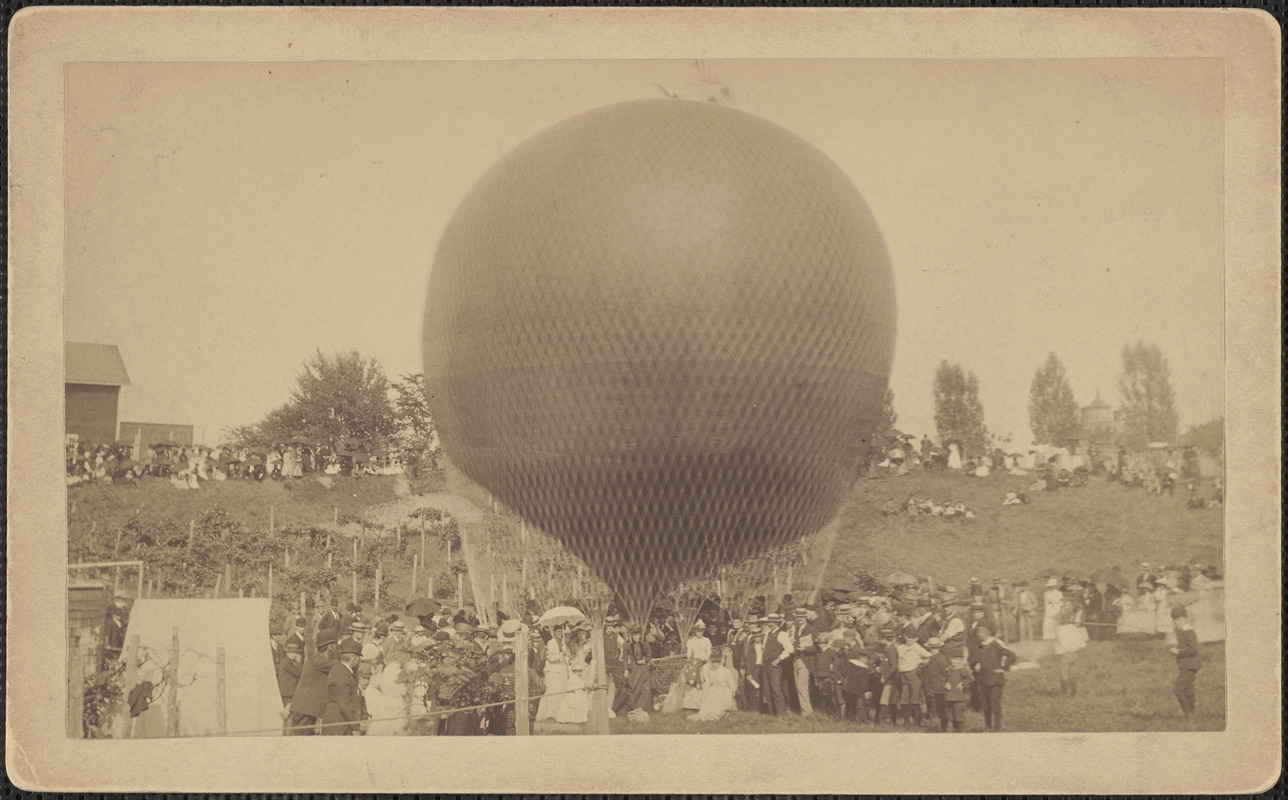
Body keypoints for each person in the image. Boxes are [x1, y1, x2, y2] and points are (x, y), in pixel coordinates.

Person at [288, 629, 339, 735]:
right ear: (330, 647)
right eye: (335, 646)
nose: (337, 649)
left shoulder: (318, 660)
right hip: (304, 711)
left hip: (307, 711)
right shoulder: (318, 661)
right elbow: (339, 666)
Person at [971, 625, 1016, 732]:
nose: (978, 636)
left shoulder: (995, 644)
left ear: (985, 634)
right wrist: (977, 664)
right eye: (977, 634)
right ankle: (987, 726)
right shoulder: (981, 645)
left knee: (995, 703)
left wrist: (1003, 668)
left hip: (994, 679)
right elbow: (979, 658)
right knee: (985, 704)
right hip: (982, 679)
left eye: (979, 634)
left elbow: (1012, 655)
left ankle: (997, 727)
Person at [320, 638, 363, 735]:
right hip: (339, 725)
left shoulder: (338, 668)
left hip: (335, 722)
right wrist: (355, 727)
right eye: (359, 659)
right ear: (354, 659)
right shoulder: (343, 674)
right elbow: (345, 704)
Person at [1169, 605, 1200, 725]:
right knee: (1188, 690)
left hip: (1190, 665)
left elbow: (1194, 649)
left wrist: (1178, 651)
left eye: (1177, 619)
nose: (1175, 622)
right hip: (1187, 665)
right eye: (1174, 620)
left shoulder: (1188, 631)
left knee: (1178, 689)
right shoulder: (1183, 631)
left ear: (1183, 618)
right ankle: (1191, 715)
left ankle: (1188, 716)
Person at [689, 648, 740, 721]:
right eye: (712, 662)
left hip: (723, 692)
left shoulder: (725, 671)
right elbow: (708, 683)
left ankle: (722, 712)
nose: (713, 664)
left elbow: (732, 684)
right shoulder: (710, 671)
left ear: (719, 663)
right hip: (713, 691)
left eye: (715, 662)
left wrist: (732, 692)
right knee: (705, 710)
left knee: (716, 711)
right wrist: (707, 689)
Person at [1053, 596, 1088, 696]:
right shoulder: (1065, 625)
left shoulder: (1067, 627)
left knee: (1065, 671)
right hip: (1071, 650)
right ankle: (1072, 693)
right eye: (1063, 607)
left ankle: (1068, 693)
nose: (1064, 609)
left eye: (1067, 607)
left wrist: (1077, 615)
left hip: (1069, 651)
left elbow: (1063, 645)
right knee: (1069, 672)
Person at [761, 613, 793, 716]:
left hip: (774, 665)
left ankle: (780, 714)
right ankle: (771, 713)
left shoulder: (781, 634)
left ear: (777, 623)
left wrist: (779, 659)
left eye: (772, 622)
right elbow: (764, 648)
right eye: (769, 622)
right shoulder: (767, 634)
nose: (770, 624)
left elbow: (790, 649)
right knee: (767, 690)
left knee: (776, 689)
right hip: (765, 664)